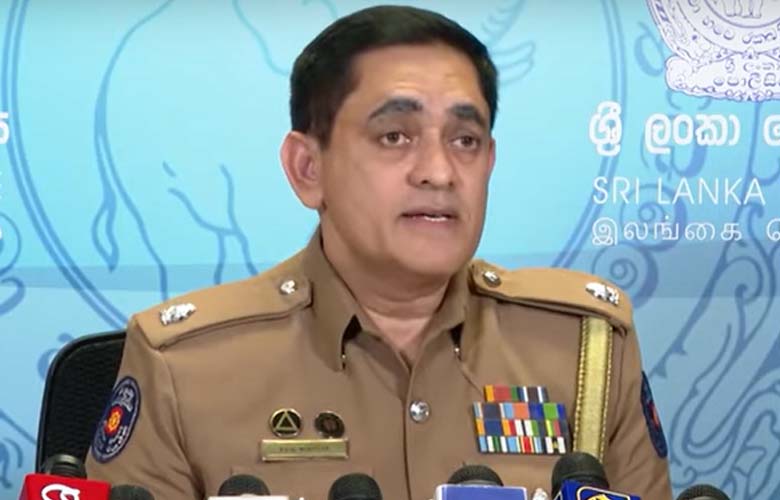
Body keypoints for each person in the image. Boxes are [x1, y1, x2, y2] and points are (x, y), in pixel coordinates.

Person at [85, 5, 673, 500]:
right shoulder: (185, 366)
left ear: (490, 162)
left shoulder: (583, 348)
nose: (440, 171)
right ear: (307, 168)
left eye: (465, 140)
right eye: (395, 137)